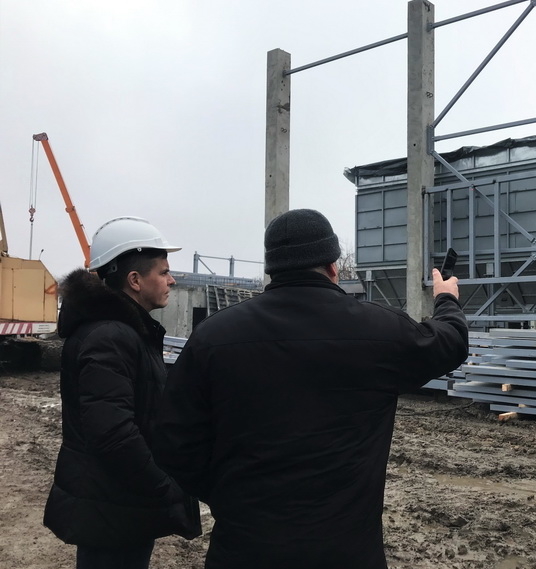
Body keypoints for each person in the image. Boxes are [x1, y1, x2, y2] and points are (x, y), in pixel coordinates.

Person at [152, 208, 469, 569]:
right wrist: (446, 298)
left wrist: (224, 493)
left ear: (272, 269)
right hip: (347, 552)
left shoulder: (213, 337)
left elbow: (173, 442)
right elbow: (451, 343)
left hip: (245, 548)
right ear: (333, 267)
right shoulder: (378, 329)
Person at [43, 216, 201, 569]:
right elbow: (113, 435)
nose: (172, 280)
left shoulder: (123, 332)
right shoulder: (110, 338)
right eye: (163, 272)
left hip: (119, 502)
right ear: (134, 280)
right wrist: (165, 487)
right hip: (112, 507)